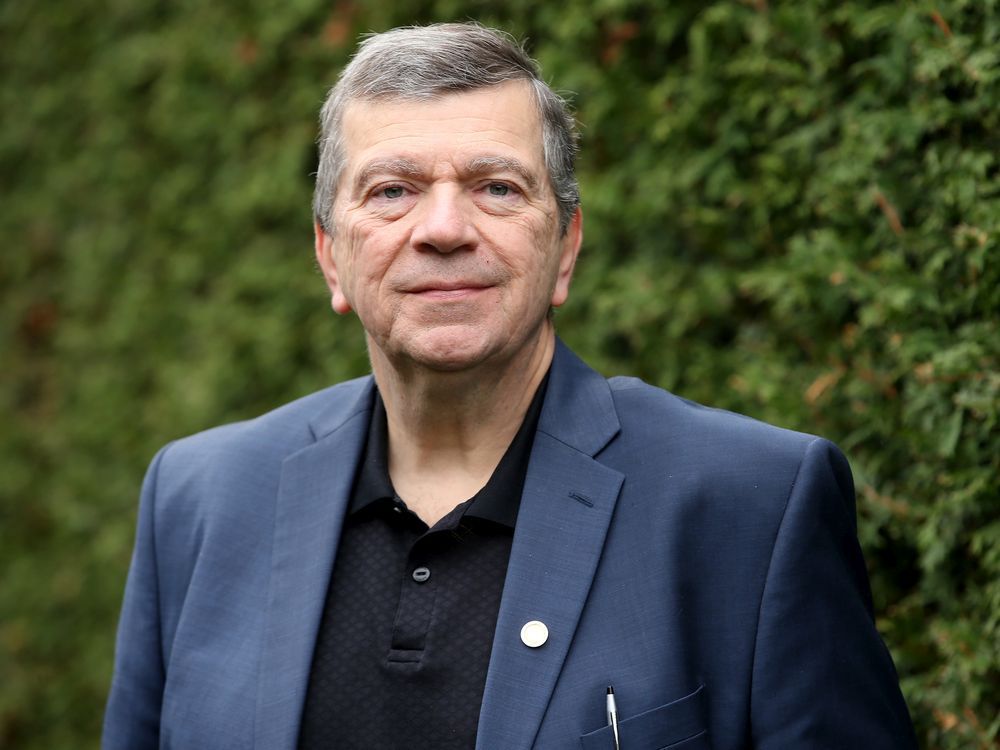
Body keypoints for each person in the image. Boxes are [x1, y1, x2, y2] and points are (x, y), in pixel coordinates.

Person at [102, 22, 917, 750]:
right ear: (329, 255)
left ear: (565, 247)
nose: (445, 229)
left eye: (497, 187)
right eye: (392, 190)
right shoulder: (200, 498)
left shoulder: (751, 504)